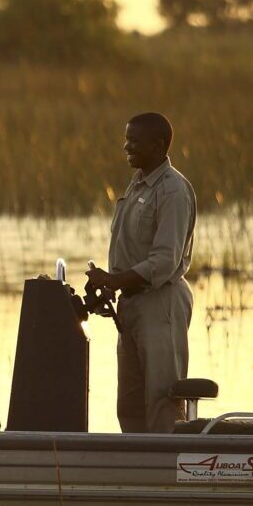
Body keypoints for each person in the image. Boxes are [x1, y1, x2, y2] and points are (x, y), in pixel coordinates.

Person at [85, 112, 195, 433]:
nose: (126, 146)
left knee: (163, 399)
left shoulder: (173, 190)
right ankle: (136, 472)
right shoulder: (137, 185)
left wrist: (115, 280)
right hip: (131, 305)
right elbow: (131, 253)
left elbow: (164, 261)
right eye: (126, 139)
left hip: (161, 303)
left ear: (158, 145)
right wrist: (110, 287)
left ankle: (168, 476)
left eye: (134, 141)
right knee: (130, 403)